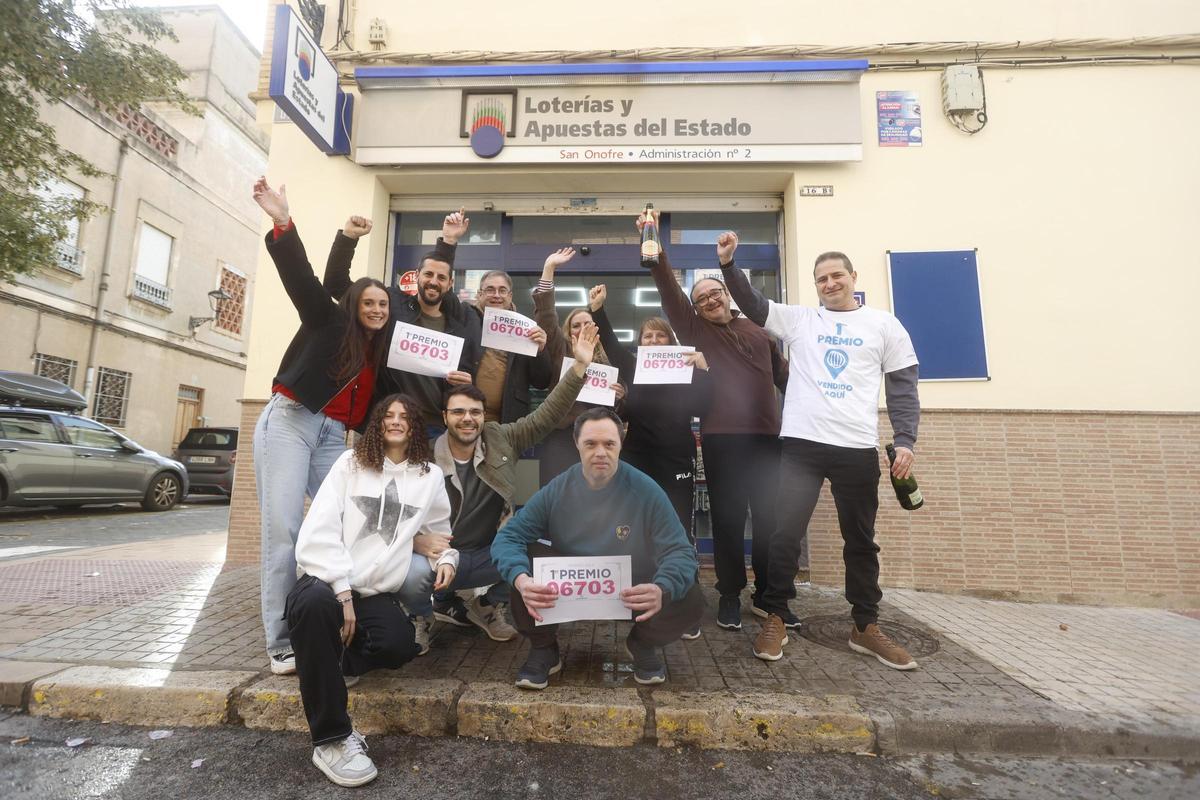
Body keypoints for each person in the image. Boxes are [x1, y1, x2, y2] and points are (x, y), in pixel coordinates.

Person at [716, 236, 921, 670]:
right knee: (785, 534)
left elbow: (903, 386)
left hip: (857, 447)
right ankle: (775, 616)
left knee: (861, 541)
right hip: (802, 445)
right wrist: (730, 265)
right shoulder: (801, 321)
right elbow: (752, 304)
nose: (830, 284)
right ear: (815, 285)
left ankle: (865, 625)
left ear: (853, 277)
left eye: (836, 276)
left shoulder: (885, 325)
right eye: (821, 279)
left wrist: (905, 438)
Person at [251, 177, 388, 675]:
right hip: (290, 422)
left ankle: (338, 617)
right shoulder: (327, 321)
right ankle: (281, 642)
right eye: (368, 302)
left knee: (349, 524)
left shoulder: (377, 350)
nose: (376, 309)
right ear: (354, 305)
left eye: (383, 304)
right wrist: (283, 222)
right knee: (284, 532)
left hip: (335, 436)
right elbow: (306, 279)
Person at [287, 393, 456, 786]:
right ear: (378, 423)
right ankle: (331, 739)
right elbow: (319, 531)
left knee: (398, 645)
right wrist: (341, 591)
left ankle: (327, 662)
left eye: (404, 416)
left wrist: (447, 559)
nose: (395, 421)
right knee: (313, 606)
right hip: (324, 582)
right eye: (388, 415)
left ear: (414, 426)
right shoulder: (351, 463)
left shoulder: (429, 476)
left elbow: (439, 533)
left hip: (372, 591)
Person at [641, 211, 788, 631]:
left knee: (769, 519)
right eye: (701, 298)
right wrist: (656, 250)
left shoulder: (760, 329)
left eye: (714, 293)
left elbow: (787, 379)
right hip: (723, 438)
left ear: (727, 294)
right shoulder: (695, 331)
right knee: (727, 518)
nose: (709, 300)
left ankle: (767, 595)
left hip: (768, 438)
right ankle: (729, 594)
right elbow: (669, 292)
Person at [491, 407, 704, 690]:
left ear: (621, 444)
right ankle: (544, 648)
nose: (600, 452)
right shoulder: (557, 489)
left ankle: (642, 643)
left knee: (689, 594)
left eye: (609, 444)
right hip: (568, 588)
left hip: (629, 588)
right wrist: (521, 580)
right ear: (576, 444)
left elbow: (680, 551)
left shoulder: (646, 490)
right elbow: (508, 537)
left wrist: (661, 588)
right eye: (591, 444)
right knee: (524, 563)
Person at [423, 321, 601, 642]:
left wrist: (579, 368)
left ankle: (486, 605)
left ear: (484, 416)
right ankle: (425, 612)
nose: (468, 419)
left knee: (539, 553)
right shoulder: (424, 456)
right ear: (444, 417)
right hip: (436, 556)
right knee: (406, 567)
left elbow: (546, 415)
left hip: (488, 554)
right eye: (459, 412)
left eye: (475, 412)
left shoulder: (501, 438)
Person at [324, 210, 481, 437]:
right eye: (428, 274)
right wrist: (348, 237)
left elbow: (465, 376)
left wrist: (464, 383)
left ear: (450, 284)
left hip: (436, 428)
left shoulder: (459, 322)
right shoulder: (391, 304)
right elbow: (336, 285)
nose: (433, 281)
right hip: (387, 422)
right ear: (416, 276)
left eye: (441, 278)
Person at [588, 284, 712, 542]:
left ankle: (680, 566)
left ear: (670, 340)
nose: (654, 340)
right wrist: (597, 309)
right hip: (637, 456)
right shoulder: (633, 368)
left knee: (677, 519)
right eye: (648, 336)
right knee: (634, 519)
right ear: (641, 343)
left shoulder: (686, 372)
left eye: (660, 335)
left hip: (676, 458)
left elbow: (702, 408)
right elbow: (611, 343)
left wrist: (702, 370)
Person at [530, 247, 619, 487]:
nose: (581, 329)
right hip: (560, 437)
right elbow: (547, 317)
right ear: (568, 331)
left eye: (587, 324)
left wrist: (620, 395)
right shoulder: (560, 350)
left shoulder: (608, 360)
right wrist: (549, 269)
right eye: (575, 325)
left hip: (596, 439)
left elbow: (619, 407)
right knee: (557, 494)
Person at [470, 268, 554, 423]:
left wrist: (540, 350)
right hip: (466, 418)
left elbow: (541, 382)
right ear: (479, 294)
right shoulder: (466, 320)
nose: (496, 295)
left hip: (508, 424)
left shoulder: (526, 330)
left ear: (510, 296)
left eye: (502, 290)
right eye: (490, 290)